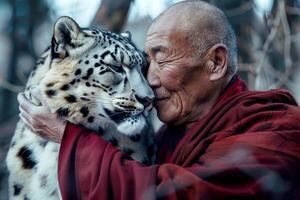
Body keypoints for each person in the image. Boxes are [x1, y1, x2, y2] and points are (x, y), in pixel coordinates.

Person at [18, 1, 300, 199]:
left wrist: (70, 139)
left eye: (161, 58)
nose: (148, 83)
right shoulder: (165, 137)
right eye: (146, 63)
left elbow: (183, 195)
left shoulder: (278, 128)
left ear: (215, 62)